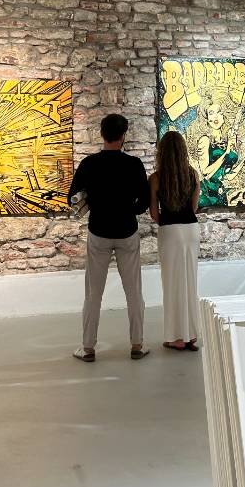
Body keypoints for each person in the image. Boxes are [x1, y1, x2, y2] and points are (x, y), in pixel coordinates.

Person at [68, 114, 150, 362]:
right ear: (123, 135)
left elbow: (72, 197)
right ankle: (137, 344)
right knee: (133, 291)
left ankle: (88, 347)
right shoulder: (134, 164)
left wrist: (96, 204)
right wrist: (128, 210)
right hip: (127, 231)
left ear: (102, 134)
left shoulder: (89, 164)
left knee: (93, 293)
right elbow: (144, 201)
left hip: (99, 231)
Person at [149, 131, 202, 351]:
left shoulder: (155, 178)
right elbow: (194, 207)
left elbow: (154, 214)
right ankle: (192, 335)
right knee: (190, 282)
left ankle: (176, 338)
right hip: (191, 230)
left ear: (161, 152)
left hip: (170, 231)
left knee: (172, 284)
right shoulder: (192, 174)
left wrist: (168, 219)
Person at [196, 102, 238, 208]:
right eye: (211, 113)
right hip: (207, 192)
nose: (215, 116)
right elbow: (205, 171)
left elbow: (228, 171)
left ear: (224, 116)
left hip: (220, 190)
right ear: (207, 118)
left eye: (219, 112)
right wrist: (226, 154)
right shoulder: (205, 140)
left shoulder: (227, 140)